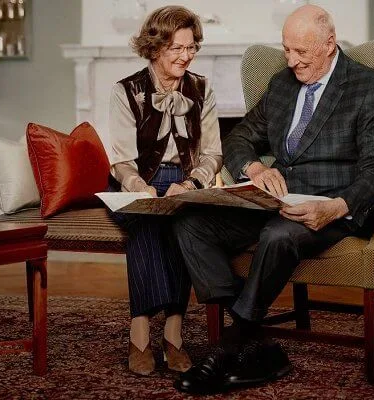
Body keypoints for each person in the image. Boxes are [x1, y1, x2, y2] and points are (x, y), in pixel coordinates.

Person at [172, 4, 374, 394]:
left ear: (329, 45)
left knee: (279, 236)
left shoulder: (369, 88)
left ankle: (229, 345)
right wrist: (256, 170)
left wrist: (337, 206)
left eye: (302, 52)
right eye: (286, 50)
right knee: (190, 222)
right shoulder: (281, 86)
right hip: (273, 202)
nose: (292, 61)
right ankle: (254, 339)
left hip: (331, 208)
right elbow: (239, 138)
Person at [106, 5, 222, 376]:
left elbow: (213, 154)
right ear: (155, 47)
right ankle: (141, 331)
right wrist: (141, 188)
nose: (186, 56)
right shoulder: (126, 90)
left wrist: (189, 183)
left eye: (191, 48)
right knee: (144, 220)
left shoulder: (202, 89)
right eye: (177, 48)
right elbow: (122, 161)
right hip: (134, 181)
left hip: (183, 182)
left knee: (186, 223)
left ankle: (172, 331)